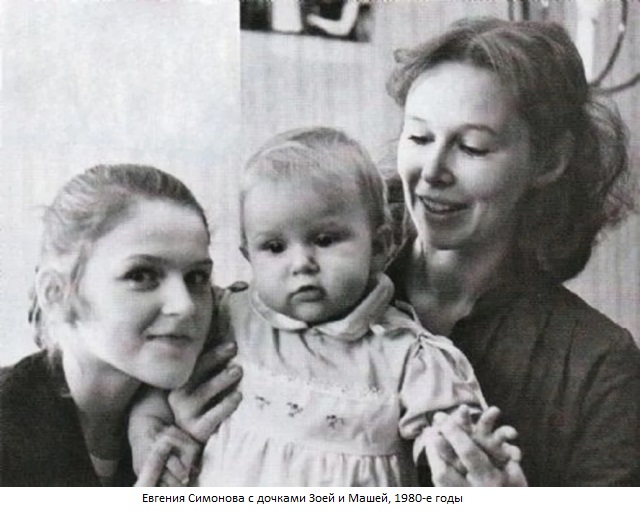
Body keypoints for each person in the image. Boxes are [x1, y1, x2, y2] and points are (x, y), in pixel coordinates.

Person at [129, 127, 519, 486]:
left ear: (380, 246)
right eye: (275, 247)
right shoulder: (228, 316)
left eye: (325, 239)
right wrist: (146, 426)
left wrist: (459, 450)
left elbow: (451, 432)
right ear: (249, 257)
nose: (301, 263)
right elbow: (158, 376)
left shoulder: (407, 355)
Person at [384, 17, 640, 486]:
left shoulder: (598, 364)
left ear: (548, 161)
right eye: (419, 137)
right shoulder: (322, 292)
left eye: (472, 147)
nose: (432, 171)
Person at [0, 164, 240, 486]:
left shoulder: (215, 405)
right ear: (55, 293)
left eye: (196, 277)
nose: (185, 305)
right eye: (141, 275)